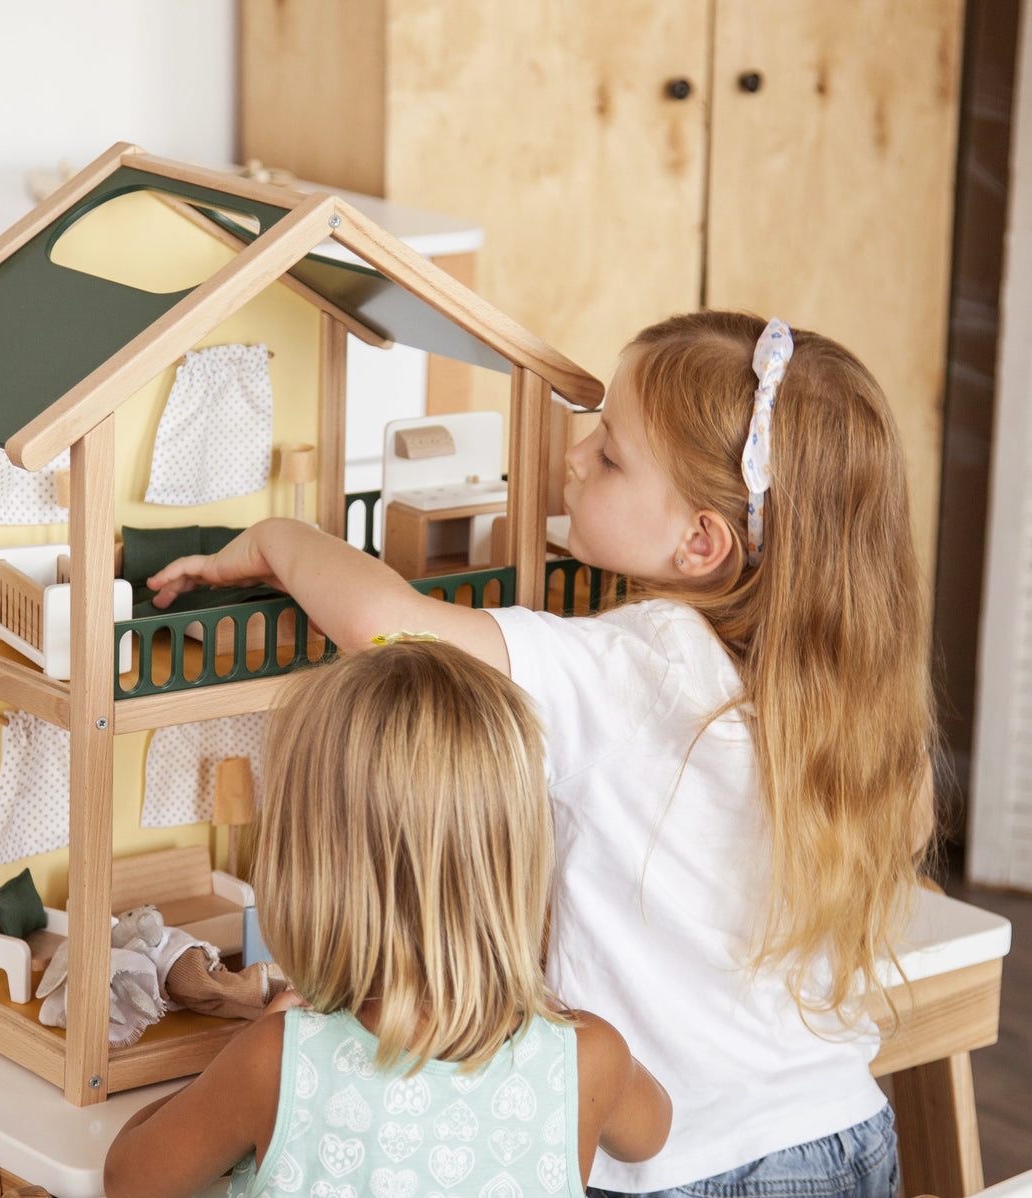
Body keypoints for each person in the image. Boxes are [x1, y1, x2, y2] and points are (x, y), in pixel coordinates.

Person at [144, 312, 934, 1198]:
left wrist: (274, 542)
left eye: (609, 455)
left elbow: (385, 628)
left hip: (683, 1169)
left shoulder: (635, 669)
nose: (571, 453)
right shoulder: (846, 695)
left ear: (701, 541)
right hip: (847, 1131)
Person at [103, 641, 672, 1198]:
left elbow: (127, 1179)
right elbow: (651, 1135)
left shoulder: (274, 1061)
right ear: (516, 859)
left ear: (307, 869)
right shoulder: (589, 1056)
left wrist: (240, 1056)